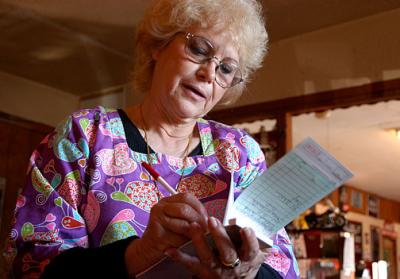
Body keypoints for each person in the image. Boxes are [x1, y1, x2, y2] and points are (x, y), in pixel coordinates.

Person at [5, 0, 300, 278]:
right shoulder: (85, 136)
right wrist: (140, 253)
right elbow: (34, 265)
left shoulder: (240, 153)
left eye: (226, 68)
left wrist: (247, 273)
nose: (209, 73)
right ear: (159, 45)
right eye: (199, 49)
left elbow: (282, 268)